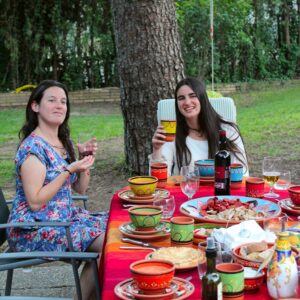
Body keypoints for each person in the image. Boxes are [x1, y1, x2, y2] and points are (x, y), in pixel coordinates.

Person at [7, 80, 107, 300]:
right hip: (33, 228)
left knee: (118, 228)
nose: (59, 105)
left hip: (64, 218)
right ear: (35, 106)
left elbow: (79, 188)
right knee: (108, 244)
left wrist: (85, 161)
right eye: (51, 100)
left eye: (63, 102)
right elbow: (34, 202)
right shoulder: (33, 148)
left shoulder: (62, 141)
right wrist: (67, 170)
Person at [151, 77, 249, 175]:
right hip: (186, 190)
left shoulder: (227, 130)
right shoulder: (171, 134)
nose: (187, 102)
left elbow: (242, 174)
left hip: (221, 189)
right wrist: (157, 149)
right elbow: (159, 181)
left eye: (192, 96)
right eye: (181, 98)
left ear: (202, 98)